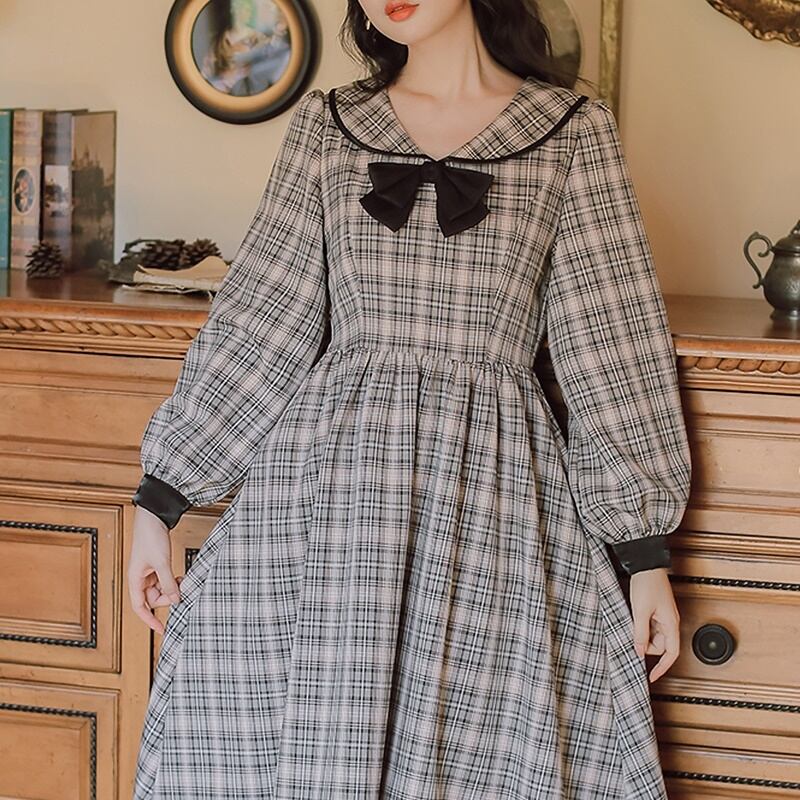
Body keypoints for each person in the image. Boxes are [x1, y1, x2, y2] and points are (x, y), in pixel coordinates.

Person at [127, 0, 692, 797]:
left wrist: (644, 555)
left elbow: (611, 341)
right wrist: (160, 501)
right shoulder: (329, 126)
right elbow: (261, 320)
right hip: (328, 506)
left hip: (490, 503)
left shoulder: (572, 134)